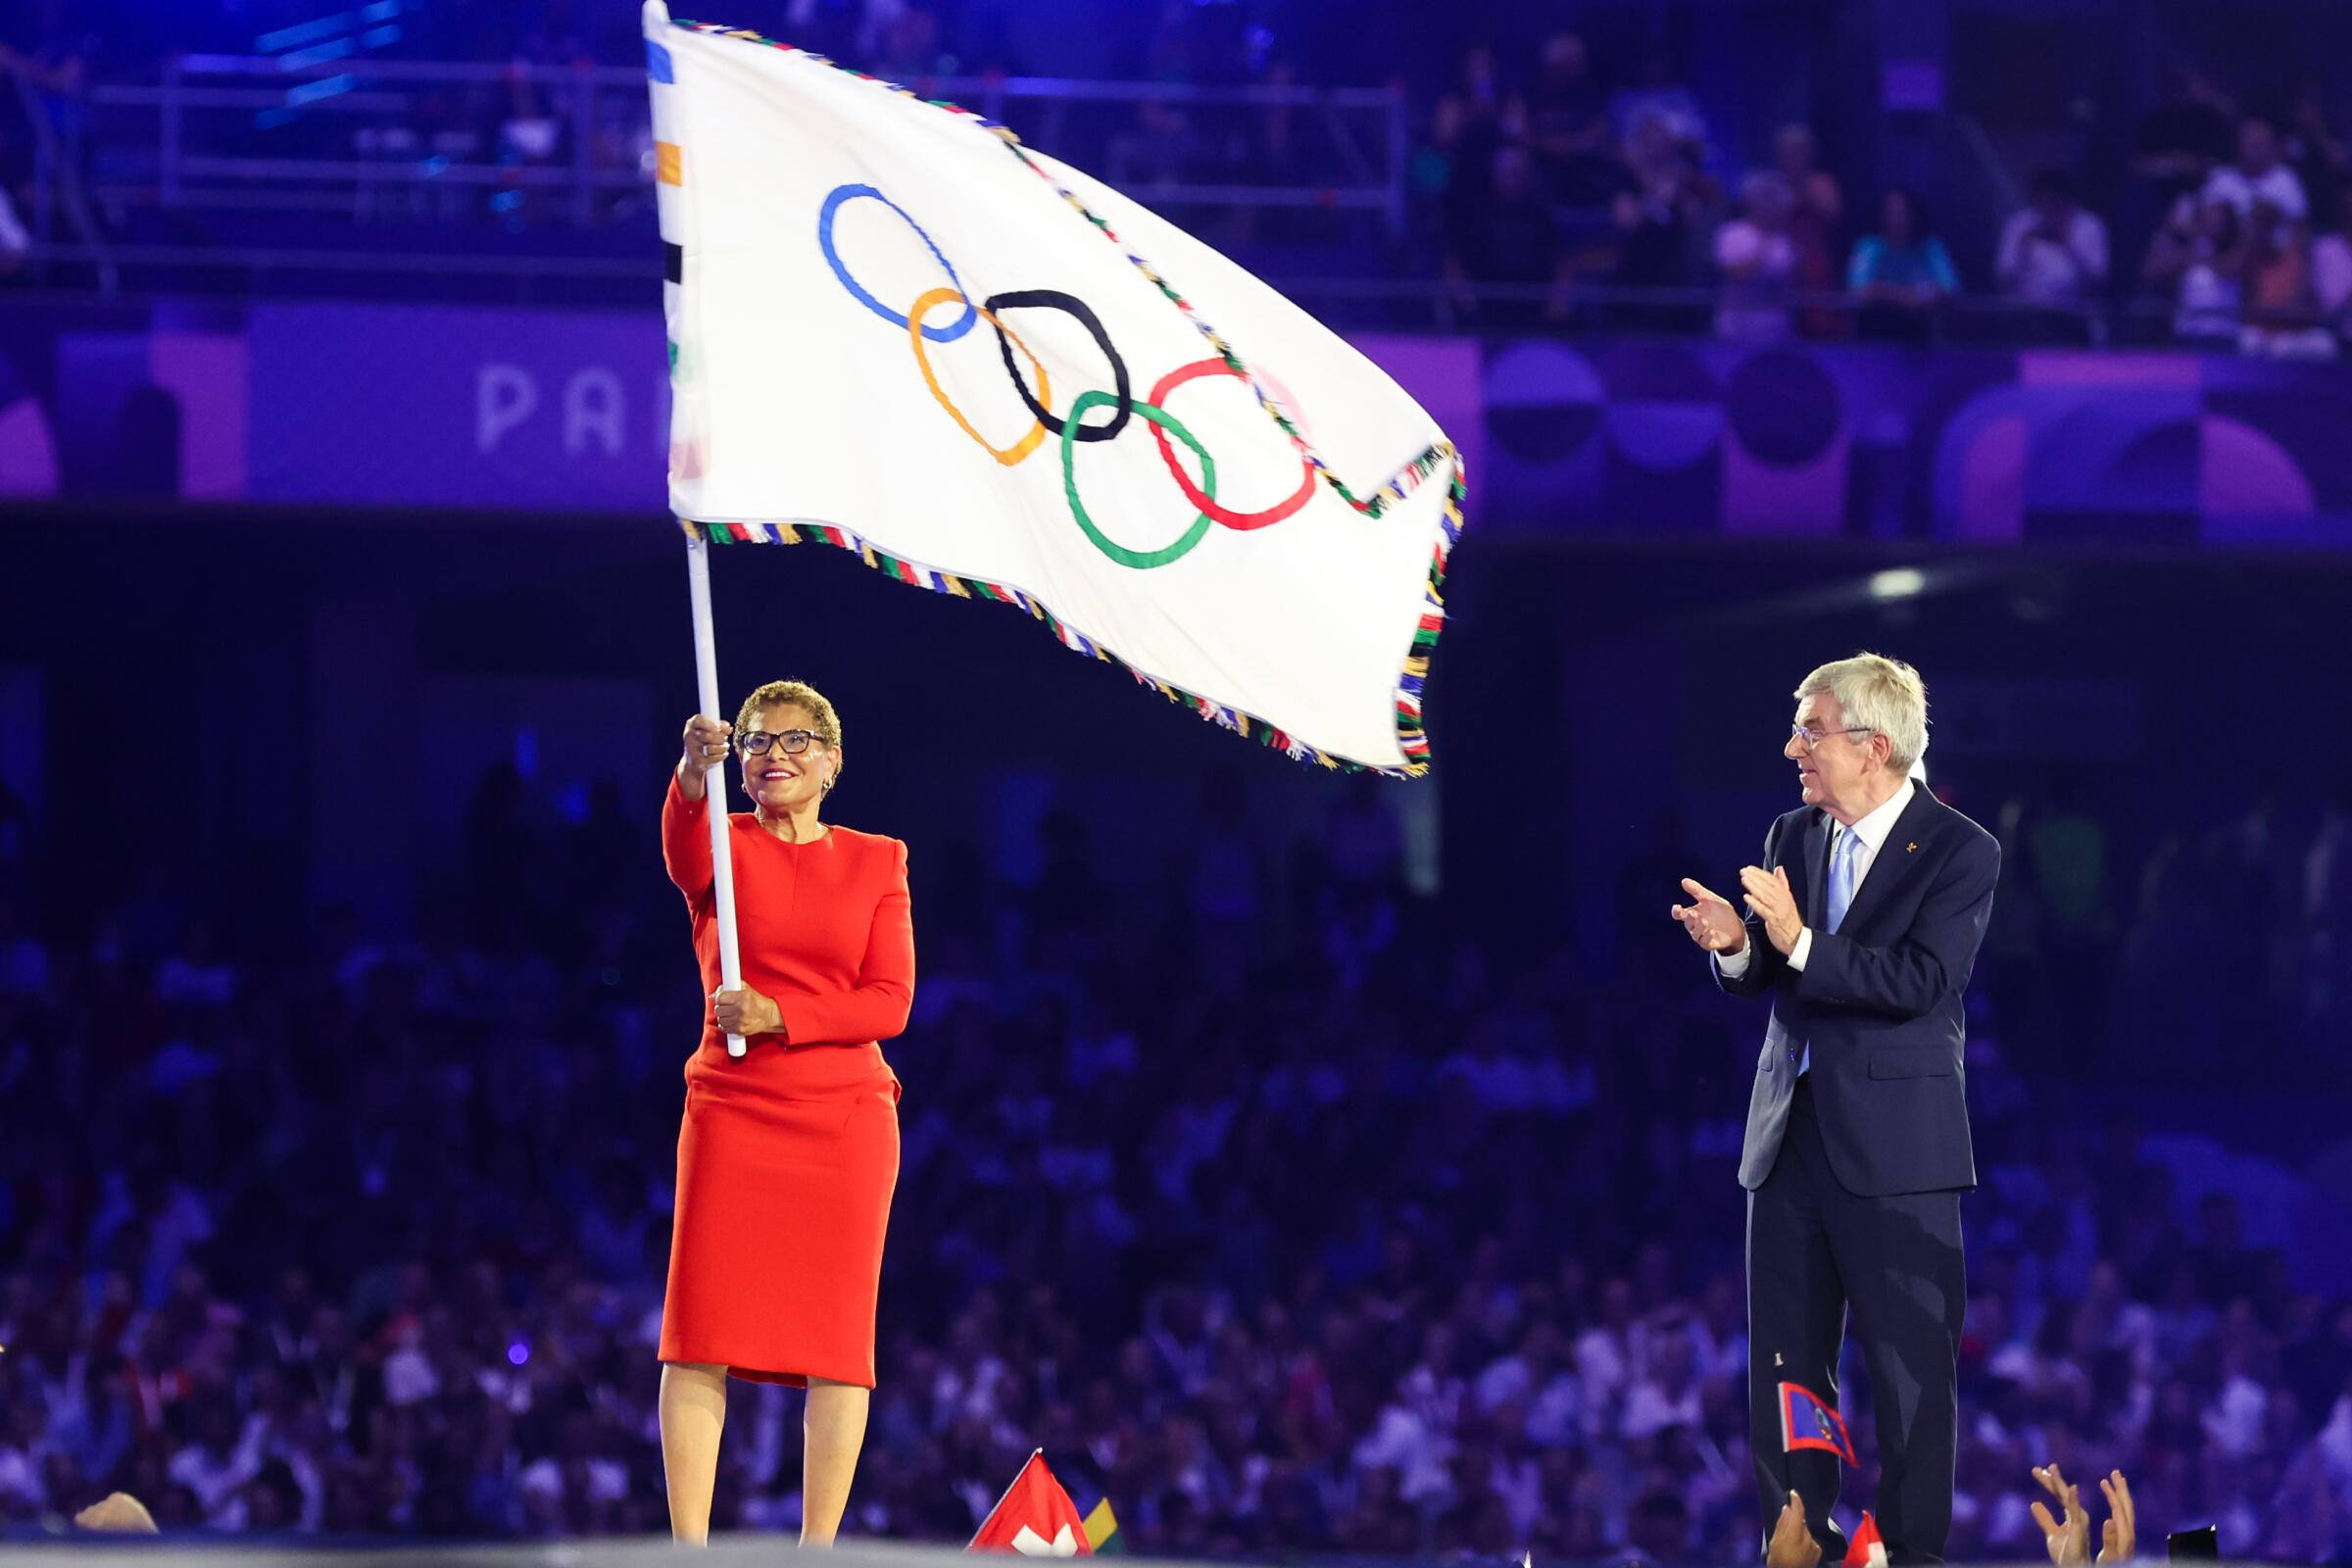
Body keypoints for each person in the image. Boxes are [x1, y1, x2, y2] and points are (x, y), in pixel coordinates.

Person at [1670, 654, 2000, 1566]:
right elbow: (1774, 975)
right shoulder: (1795, 832)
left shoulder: (1960, 850)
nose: (1793, 749)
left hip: (1899, 1151)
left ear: (1875, 746)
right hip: (1789, 1139)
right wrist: (1739, 949)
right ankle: (1798, 1539)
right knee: (1787, 1362)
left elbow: (1922, 982)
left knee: (1908, 1373)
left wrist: (1798, 940)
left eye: (1810, 732)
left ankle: (1909, 1554)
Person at [659, 679, 914, 1546]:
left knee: (837, 1342)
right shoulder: (721, 852)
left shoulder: (879, 859)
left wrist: (781, 1015)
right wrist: (694, 772)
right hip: (733, 1109)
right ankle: (686, 1551)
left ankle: (817, 1554)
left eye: (795, 740)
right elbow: (682, 850)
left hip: (844, 1116)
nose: (773, 754)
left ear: (833, 762)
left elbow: (890, 1002)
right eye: (758, 741)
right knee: (701, 1328)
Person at [1995, 170, 2109, 340]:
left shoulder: (2089, 225)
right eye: (2045, 199)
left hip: (2074, 315)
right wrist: (2023, 246)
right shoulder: (2019, 224)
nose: (2050, 205)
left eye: (2057, 200)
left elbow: (2097, 278)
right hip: (2025, 315)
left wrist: (2066, 243)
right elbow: (2004, 275)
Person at [1847, 188, 1959, 342]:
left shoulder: (1931, 247)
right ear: (1882, 215)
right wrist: (1905, 298)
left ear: (1914, 215)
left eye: (1903, 213)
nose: (1897, 220)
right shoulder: (1869, 246)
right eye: (1891, 213)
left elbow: (1950, 287)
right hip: (1875, 334)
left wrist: (1918, 298)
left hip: (1924, 337)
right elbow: (1858, 289)